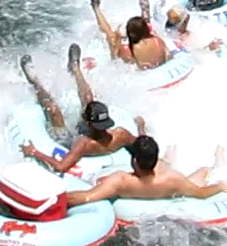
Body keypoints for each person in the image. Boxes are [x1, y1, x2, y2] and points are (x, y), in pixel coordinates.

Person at [17, 49, 146, 174]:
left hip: (68, 141)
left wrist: (34, 152)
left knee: (54, 111)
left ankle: (35, 81)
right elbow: (142, 143)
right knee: (88, 99)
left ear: (86, 121)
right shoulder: (121, 134)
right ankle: (75, 69)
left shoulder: (84, 145)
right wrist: (140, 127)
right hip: (88, 135)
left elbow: (60, 167)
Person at [65, 135, 227, 207]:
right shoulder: (171, 180)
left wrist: (55, 199)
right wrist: (220, 187)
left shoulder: (121, 181)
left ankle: (216, 163)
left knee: (203, 171)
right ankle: (215, 163)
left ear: (134, 161)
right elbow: (201, 193)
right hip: (160, 187)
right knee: (203, 171)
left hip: (144, 183)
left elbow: (87, 197)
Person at [89, 0, 172, 69]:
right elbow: (169, 55)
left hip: (143, 72)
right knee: (151, 33)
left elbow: (119, 60)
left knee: (111, 36)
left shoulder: (129, 50)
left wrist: (117, 39)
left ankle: (96, 7)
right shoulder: (158, 41)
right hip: (157, 63)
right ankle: (146, 18)